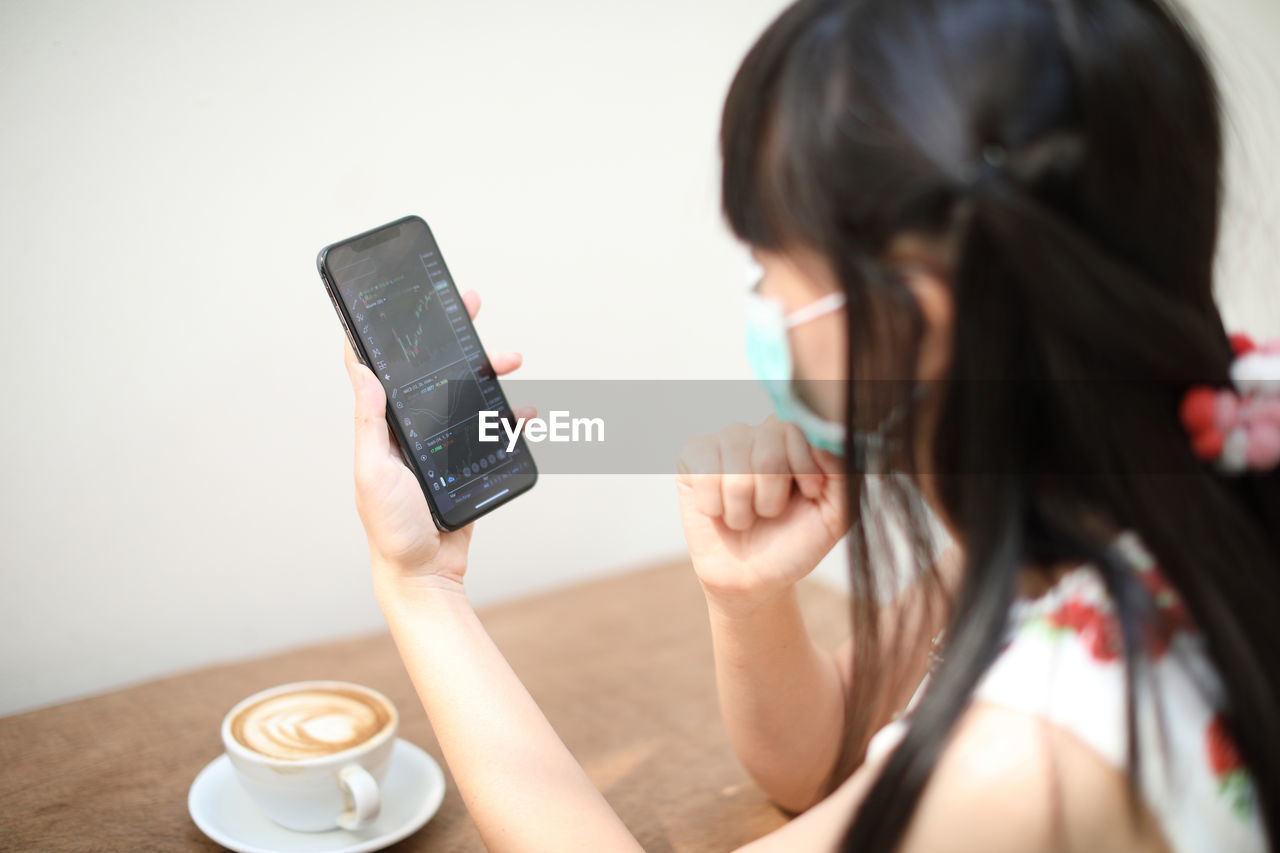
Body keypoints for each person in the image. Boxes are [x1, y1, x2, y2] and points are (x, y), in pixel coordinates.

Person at [340, 0, 1280, 849]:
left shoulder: (1032, 759)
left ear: (916, 309)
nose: (762, 304)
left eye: (770, 267)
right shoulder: (1195, 442)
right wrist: (748, 602)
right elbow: (823, 761)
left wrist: (421, 587)